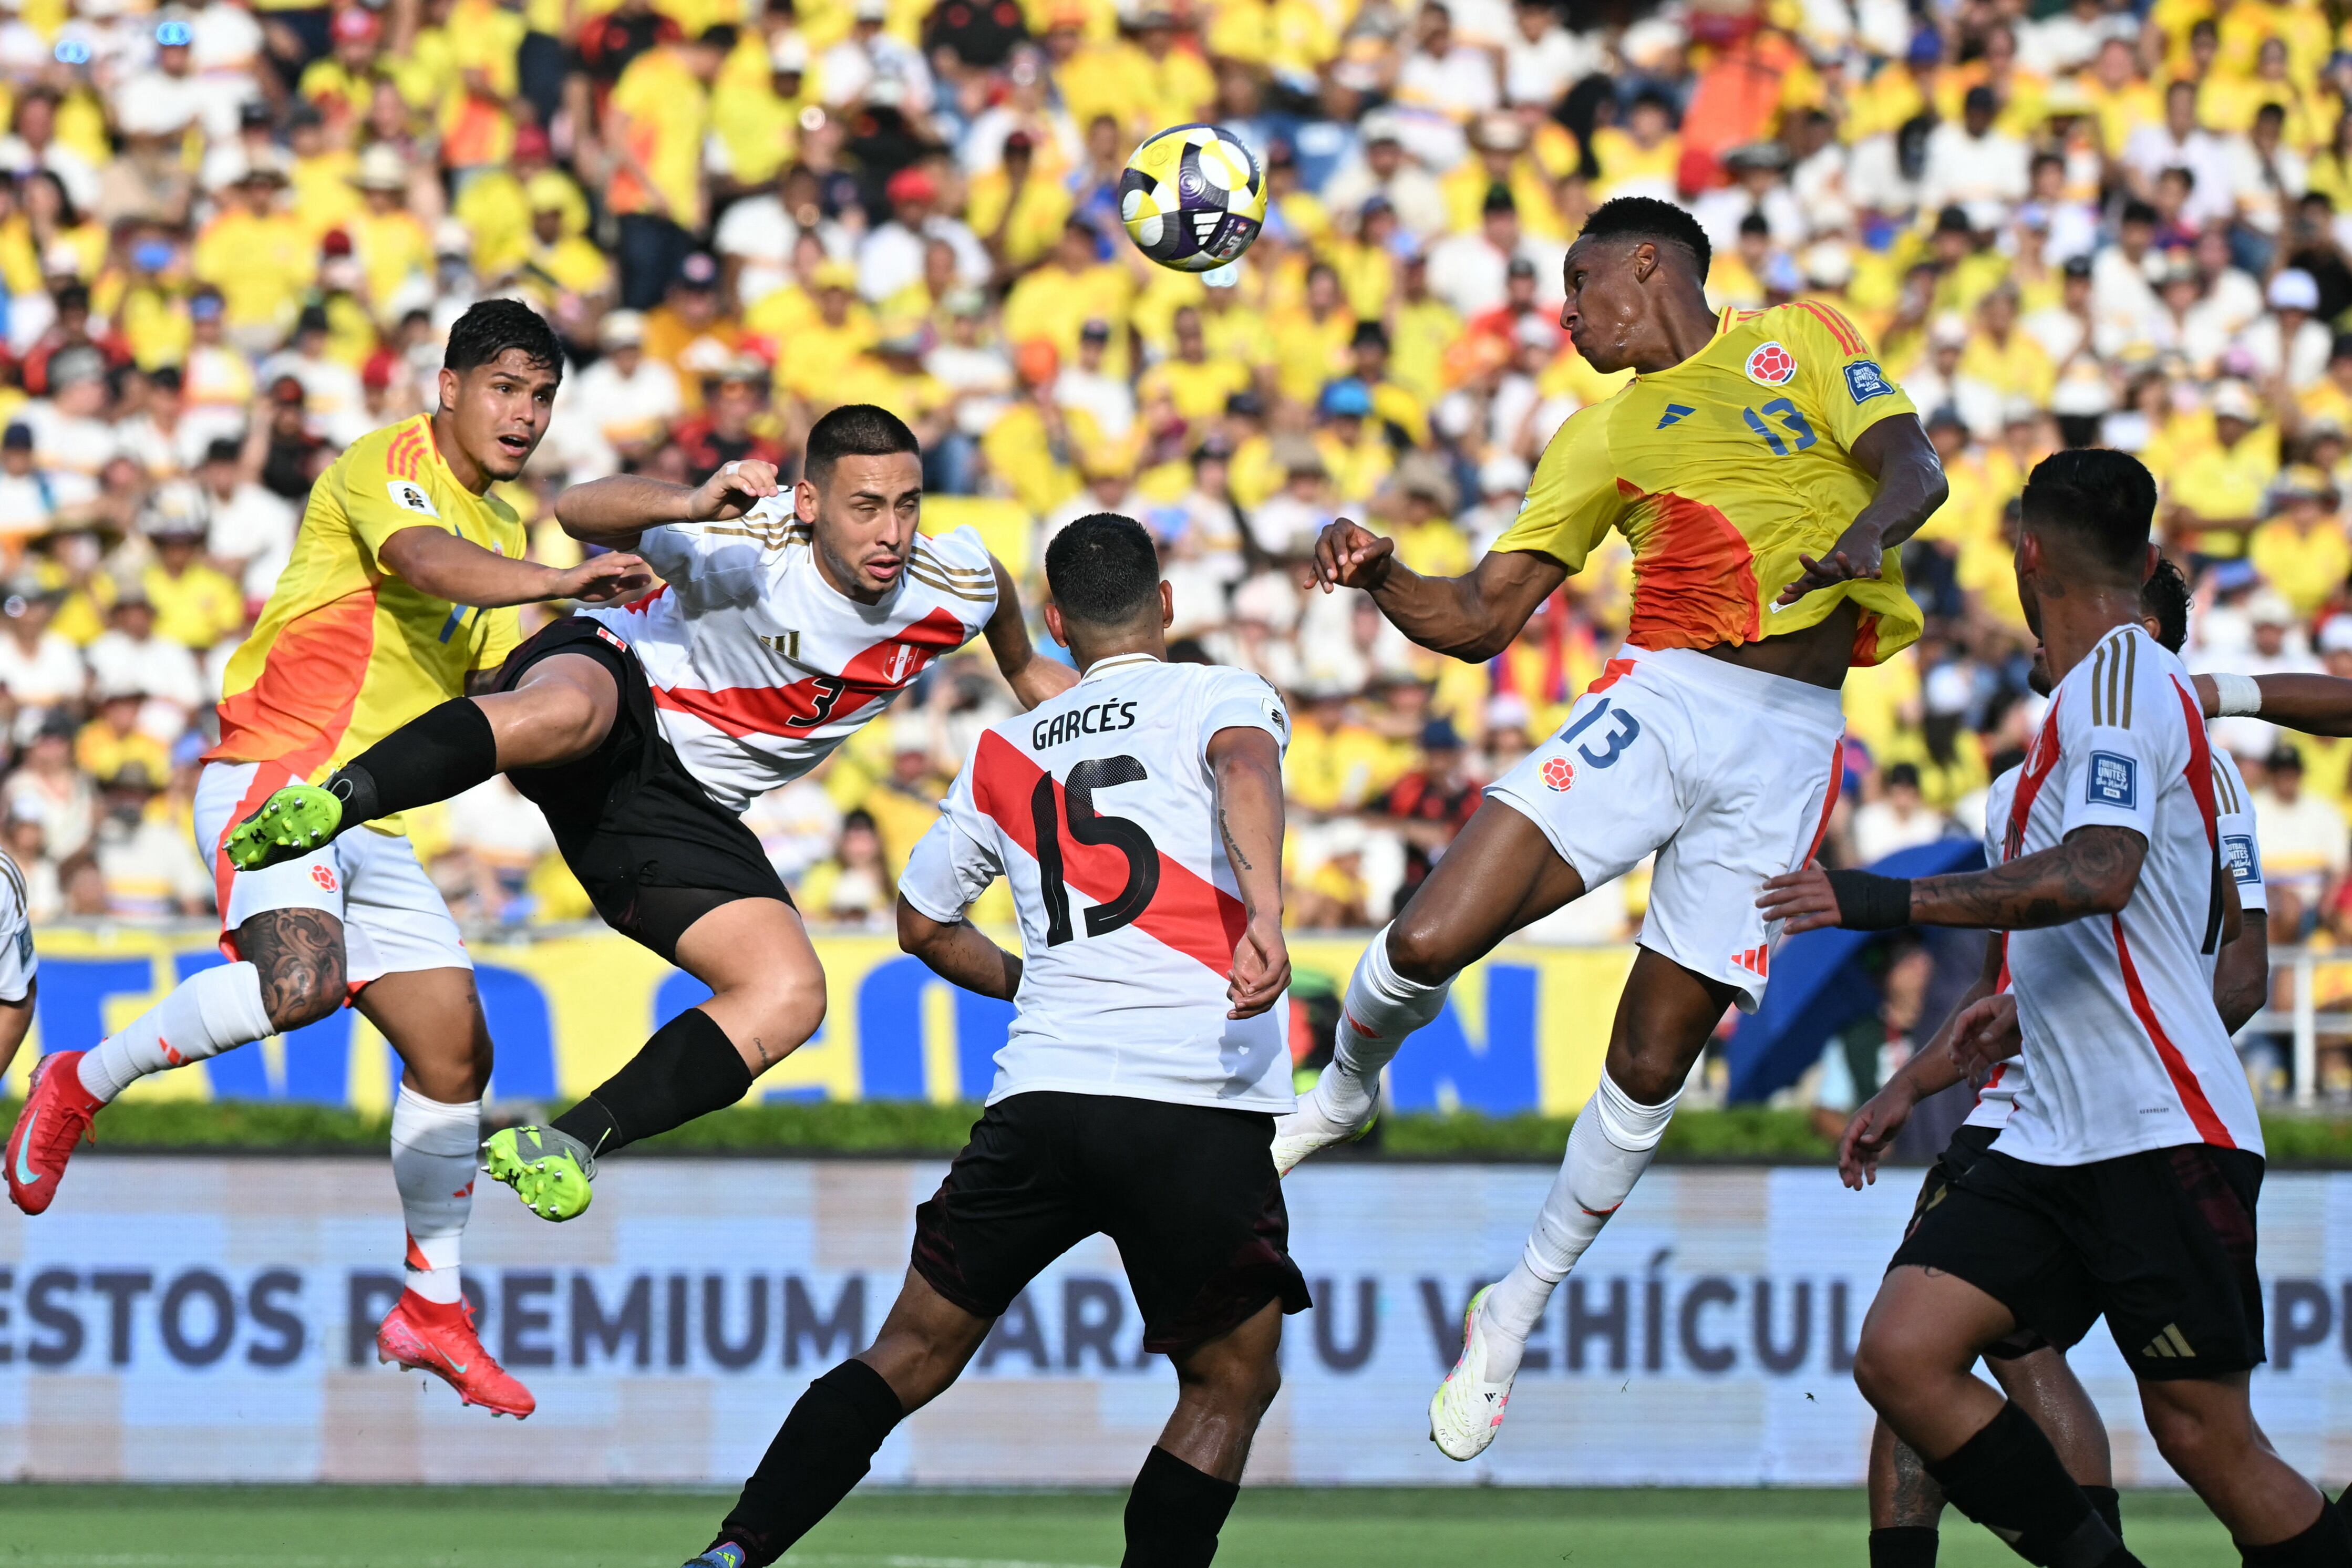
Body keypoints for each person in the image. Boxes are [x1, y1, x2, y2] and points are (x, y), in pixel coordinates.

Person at [1273, 195, 1949, 1459]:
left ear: (1649, 264)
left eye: (1579, 284)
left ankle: (1514, 1307)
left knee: (1652, 1061)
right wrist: (1381, 576)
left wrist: (1869, 528)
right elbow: (1480, 620)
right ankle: (1344, 1089)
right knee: (1426, 937)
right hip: (1666, 695)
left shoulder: (1798, 339)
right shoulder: (1594, 437)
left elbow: (1917, 466)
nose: (1567, 312)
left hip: (1790, 740)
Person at [0, 300, 652, 1421]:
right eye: (505, 387)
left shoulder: (509, 540)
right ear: (447, 387)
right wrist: (560, 580)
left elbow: (513, 677)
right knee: (299, 983)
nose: (524, 415)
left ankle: (431, 1307)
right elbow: (428, 564)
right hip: (276, 771)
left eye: (542, 396)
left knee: (459, 1049)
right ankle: (76, 1080)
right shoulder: (381, 466)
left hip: (375, 819)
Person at [226, 406, 1075, 1223]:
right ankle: (333, 799)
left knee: (789, 993)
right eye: (865, 507)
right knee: (569, 714)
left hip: (679, 808)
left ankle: (567, 1142)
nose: (891, 532)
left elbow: (991, 584)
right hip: (619, 676)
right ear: (810, 505)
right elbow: (575, 510)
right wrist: (690, 500)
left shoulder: (944, 578)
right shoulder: (749, 541)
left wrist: (1023, 665)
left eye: (906, 504)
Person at [677, 512, 1299, 1568]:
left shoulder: (1006, 746)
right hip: (1194, 1095)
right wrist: (1270, 916)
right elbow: (1242, 763)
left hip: (1042, 1099)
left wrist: (1040, 981)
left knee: (910, 1350)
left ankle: (736, 1551)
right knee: (1230, 1380)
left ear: (1056, 623)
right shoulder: (1216, 692)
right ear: (1170, 605)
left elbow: (921, 922)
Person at [1761, 451, 2348, 1568]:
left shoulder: (2126, 681)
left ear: (2030, 556)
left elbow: (2102, 871)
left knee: (2206, 1439)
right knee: (1904, 1351)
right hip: (2050, 1130)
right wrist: (1991, 1031)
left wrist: (1876, 896)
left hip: (2159, 1125)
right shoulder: (2093, 705)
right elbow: (2108, 921)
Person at [1838, 555, 2273, 1568]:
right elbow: (2020, 993)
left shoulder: (2192, 760)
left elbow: (2234, 973)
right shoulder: (2027, 781)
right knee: (1954, 1342)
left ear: (2138, 636)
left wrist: (2140, 1060)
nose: (2042, 636)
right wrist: (1912, 1082)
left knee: (2180, 1419)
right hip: (2037, 1106)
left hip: (2110, 1112)